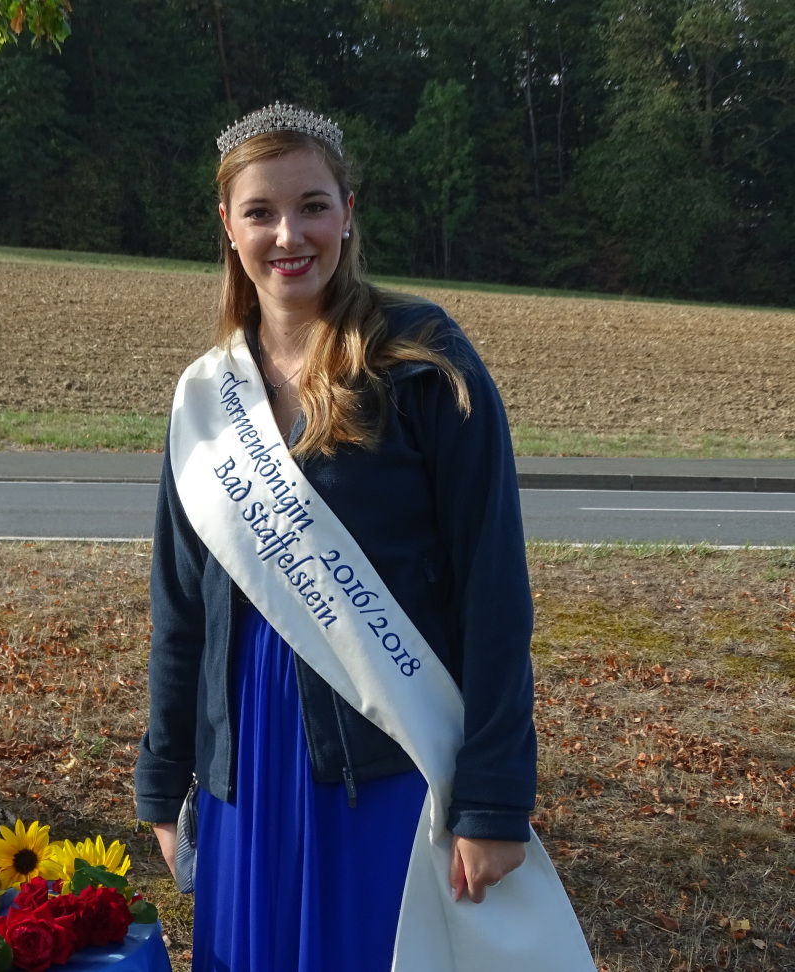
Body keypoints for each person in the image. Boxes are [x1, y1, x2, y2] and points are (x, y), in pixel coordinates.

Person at [134, 103, 545, 971]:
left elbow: (493, 588)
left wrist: (496, 796)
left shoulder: (422, 360)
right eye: (262, 212)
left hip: (384, 761)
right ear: (228, 225)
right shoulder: (206, 398)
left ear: (348, 212)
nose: (290, 235)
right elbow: (181, 610)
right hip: (244, 766)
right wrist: (164, 781)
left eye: (312, 206)